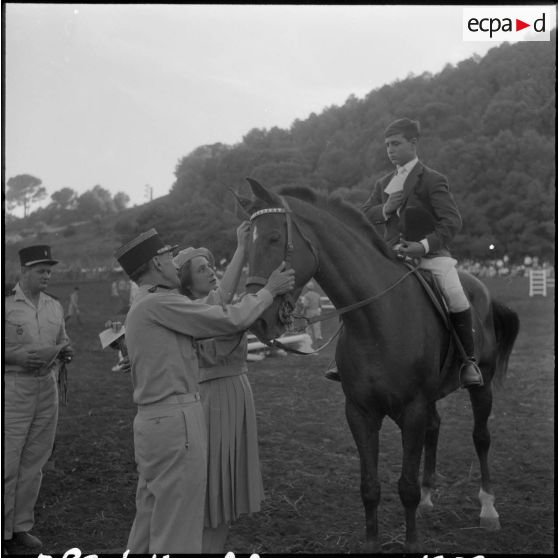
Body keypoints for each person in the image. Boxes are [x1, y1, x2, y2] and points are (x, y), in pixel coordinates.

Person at [115, 228, 295, 554]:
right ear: (157, 262)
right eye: (170, 257)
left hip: (157, 422)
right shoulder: (160, 302)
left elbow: (217, 302)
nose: (172, 261)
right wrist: (269, 292)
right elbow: (227, 317)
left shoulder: (147, 302)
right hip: (175, 420)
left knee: (150, 521)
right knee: (179, 529)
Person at [173, 222, 262, 553]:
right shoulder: (195, 311)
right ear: (186, 280)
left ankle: (209, 544)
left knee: (226, 485)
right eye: (201, 268)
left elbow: (226, 298)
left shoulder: (213, 304)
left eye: (210, 265)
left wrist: (242, 247)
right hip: (214, 397)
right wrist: (242, 249)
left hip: (237, 391)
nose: (210, 271)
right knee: (215, 487)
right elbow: (225, 303)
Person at [4, 245, 75, 553]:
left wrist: (66, 352)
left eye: (49, 271)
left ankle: (19, 527)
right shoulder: (6, 304)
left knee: (34, 462)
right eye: (40, 271)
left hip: (46, 389)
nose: (47, 276)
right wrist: (16, 356)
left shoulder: (54, 306)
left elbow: (62, 340)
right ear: (24, 272)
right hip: (13, 388)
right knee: (8, 462)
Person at [300, 281, 323, 348]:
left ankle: (310, 343)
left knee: (308, 328)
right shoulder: (317, 295)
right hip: (317, 312)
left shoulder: (306, 295)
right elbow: (320, 305)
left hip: (309, 312)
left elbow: (306, 305)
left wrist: (302, 312)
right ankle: (319, 343)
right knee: (317, 328)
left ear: (307, 288)